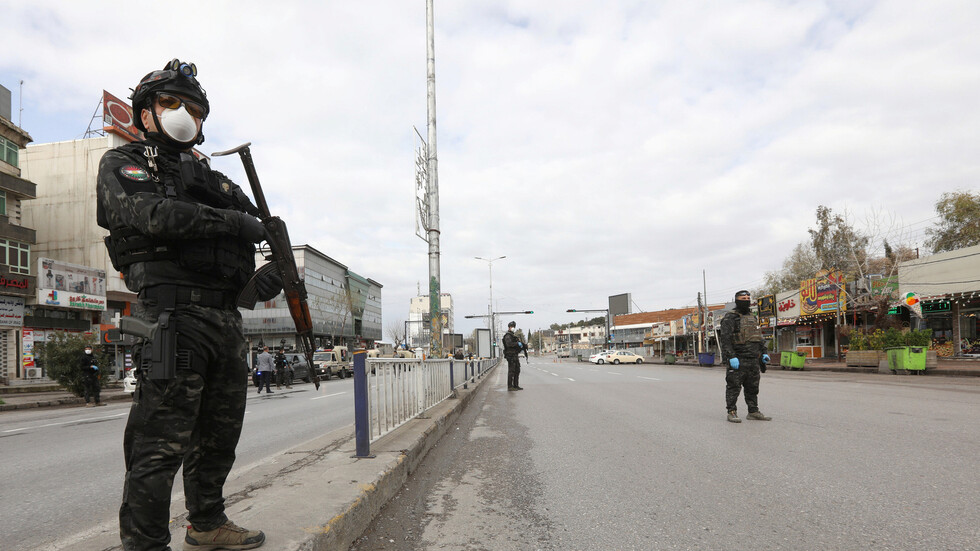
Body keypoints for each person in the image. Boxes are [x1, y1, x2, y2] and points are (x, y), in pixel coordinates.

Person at [97, 58, 282, 550]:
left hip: (224, 320)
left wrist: (265, 278)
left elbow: (248, 236)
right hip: (169, 320)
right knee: (158, 445)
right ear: (145, 112)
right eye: (170, 103)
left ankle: (207, 524)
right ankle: (144, 543)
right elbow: (152, 215)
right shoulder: (125, 163)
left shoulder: (215, 180)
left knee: (220, 437)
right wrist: (234, 225)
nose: (183, 114)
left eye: (193, 108)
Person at [719, 290, 772, 423]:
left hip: (753, 359)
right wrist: (731, 356)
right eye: (743, 298)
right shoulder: (730, 317)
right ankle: (731, 412)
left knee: (753, 387)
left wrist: (764, 353)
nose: (746, 300)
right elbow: (725, 339)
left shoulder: (752, 317)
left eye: (748, 298)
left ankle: (753, 411)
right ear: (737, 300)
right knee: (734, 387)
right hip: (738, 359)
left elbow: (758, 337)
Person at [502, 321, 523, 390]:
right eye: (512, 327)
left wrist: (520, 345)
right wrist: (517, 344)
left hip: (515, 355)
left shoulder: (513, 335)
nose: (513, 328)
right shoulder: (508, 336)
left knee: (517, 370)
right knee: (511, 371)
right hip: (510, 355)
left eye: (514, 327)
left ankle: (516, 385)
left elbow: (515, 344)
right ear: (509, 327)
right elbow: (509, 344)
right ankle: (510, 386)